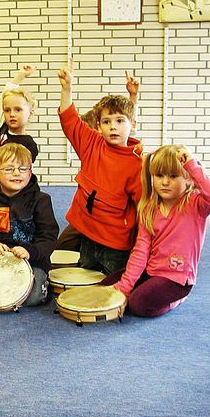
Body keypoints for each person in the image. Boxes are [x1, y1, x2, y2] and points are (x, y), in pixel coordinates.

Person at [101, 145, 210, 317]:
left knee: (137, 305)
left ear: (188, 179)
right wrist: (124, 287)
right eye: (159, 176)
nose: (165, 182)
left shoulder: (196, 205)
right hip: (151, 271)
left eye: (173, 176)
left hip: (177, 279)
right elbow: (140, 252)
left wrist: (191, 165)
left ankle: (175, 300)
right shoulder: (148, 208)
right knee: (107, 285)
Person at [57, 60, 143, 275]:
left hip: (115, 242)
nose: (112, 126)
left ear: (132, 124)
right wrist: (66, 88)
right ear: (98, 125)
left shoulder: (137, 164)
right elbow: (70, 121)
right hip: (87, 232)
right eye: (106, 122)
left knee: (112, 285)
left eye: (119, 121)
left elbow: (142, 207)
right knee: (85, 275)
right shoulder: (92, 144)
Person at [0, 143, 59, 306]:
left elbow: (48, 237)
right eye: (9, 169)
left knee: (34, 297)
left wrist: (30, 252)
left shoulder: (41, 200)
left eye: (23, 169)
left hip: (32, 259)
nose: (17, 173)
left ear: (30, 173)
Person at [0, 64, 39, 162]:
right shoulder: (4, 128)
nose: (12, 114)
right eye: (7, 110)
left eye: (18, 110)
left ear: (30, 113)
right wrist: (20, 75)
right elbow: (4, 98)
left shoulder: (28, 143)